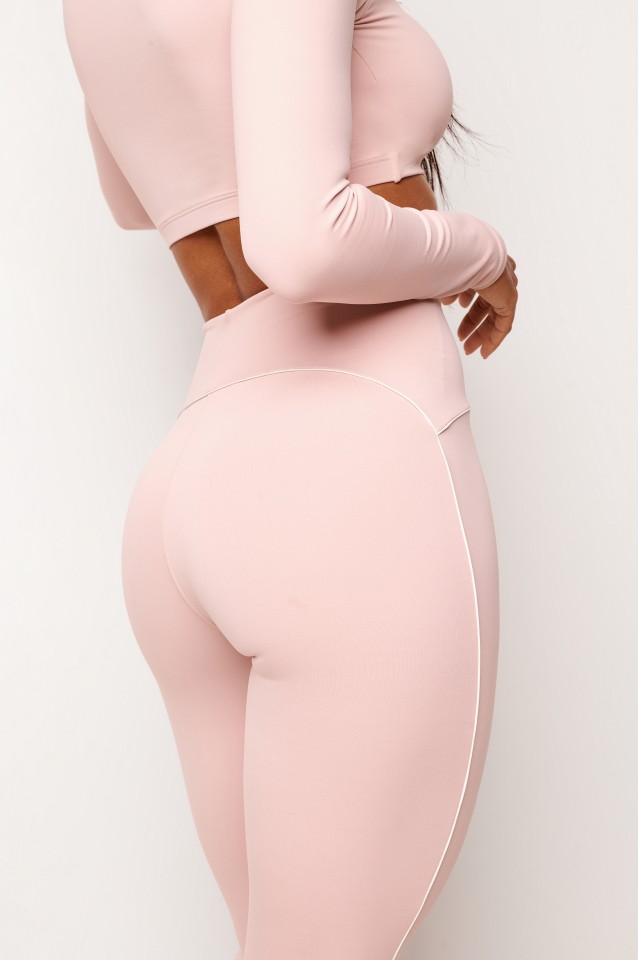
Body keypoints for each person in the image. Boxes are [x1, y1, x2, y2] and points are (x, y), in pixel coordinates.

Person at [62, 0, 518, 957]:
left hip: (196, 472)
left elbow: (135, 195)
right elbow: (303, 241)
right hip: (354, 463)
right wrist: (482, 252)